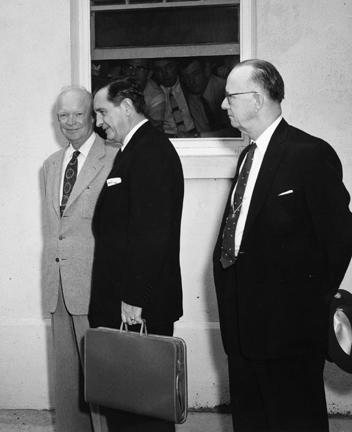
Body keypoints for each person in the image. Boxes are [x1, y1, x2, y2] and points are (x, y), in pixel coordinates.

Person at [212, 59, 352, 432]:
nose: (223, 105)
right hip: (242, 330)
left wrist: (304, 309)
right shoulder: (247, 156)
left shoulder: (309, 154)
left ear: (256, 100)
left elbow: (338, 241)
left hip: (289, 336)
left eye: (230, 96)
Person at [89, 77, 184, 432]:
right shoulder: (136, 149)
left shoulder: (150, 151)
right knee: (128, 406)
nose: (98, 122)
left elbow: (151, 233)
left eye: (103, 112)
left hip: (135, 305)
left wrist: (133, 298)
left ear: (127, 107)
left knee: (143, 411)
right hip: (129, 301)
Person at [42, 87, 117, 432]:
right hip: (58, 287)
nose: (70, 122)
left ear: (92, 116)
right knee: (68, 381)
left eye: (77, 114)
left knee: (102, 380)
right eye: (63, 115)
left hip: (94, 285)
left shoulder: (114, 158)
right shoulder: (50, 166)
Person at [180, 57, 237, 137]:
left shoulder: (225, 89)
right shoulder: (193, 99)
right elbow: (203, 131)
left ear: (206, 71)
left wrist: (197, 136)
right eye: (186, 77)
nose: (191, 81)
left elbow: (235, 133)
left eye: (195, 74)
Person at [153, 58, 197, 137]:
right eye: (159, 69)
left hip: (194, 134)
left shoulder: (188, 84)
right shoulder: (153, 93)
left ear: (176, 66)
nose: (164, 73)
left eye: (169, 67)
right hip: (168, 138)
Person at [123, 58, 166, 131]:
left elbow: (156, 129)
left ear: (149, 74)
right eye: (130, 67)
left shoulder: (156, 95)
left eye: (140, 68)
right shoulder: (113, 88)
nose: (133, 73)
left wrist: (135, 106)